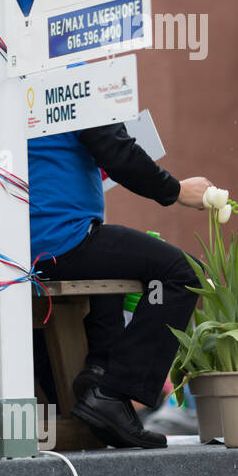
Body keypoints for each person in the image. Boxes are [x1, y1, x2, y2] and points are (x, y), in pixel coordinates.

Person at [28, 125, 210, 448]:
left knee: (113, 253)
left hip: (30, 242)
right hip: (59, 240)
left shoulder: (15, 78)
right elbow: (115, 152)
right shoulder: (71, 74)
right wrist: (178, 191)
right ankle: (113, 392)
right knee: (183, 273)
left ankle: (99, 370)